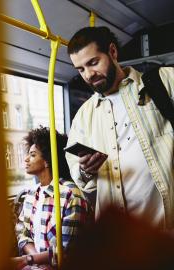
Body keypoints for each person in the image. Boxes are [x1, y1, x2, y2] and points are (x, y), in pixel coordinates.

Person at [65, 26, 174, 229]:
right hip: (120, 241)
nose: (88, 74)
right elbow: (77, 172)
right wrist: (85, 169)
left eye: (93, 62)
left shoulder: (165, 82)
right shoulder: (83, 116)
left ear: (112, 52)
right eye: (80, 69)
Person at [13, 126, 91, 270]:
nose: (26, 159)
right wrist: (33, 259)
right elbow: (22, 232)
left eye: (33, 155)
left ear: (47, 160)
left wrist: (28, 259)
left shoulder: (71, 195)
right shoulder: (31, 194)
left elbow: (68, 251)